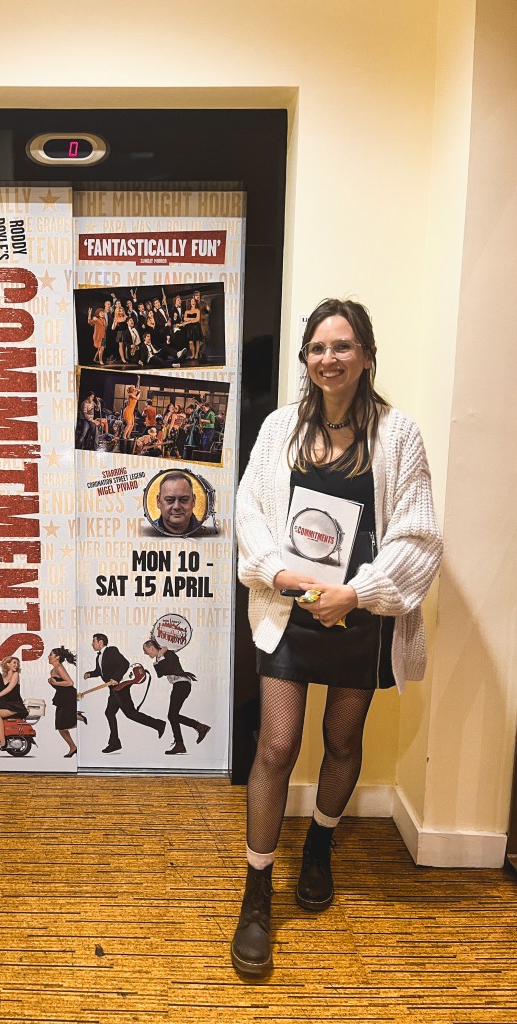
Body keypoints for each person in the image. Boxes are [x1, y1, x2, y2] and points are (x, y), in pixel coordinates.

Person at [232, 298, 443, 979]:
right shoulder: (279, 430)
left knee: (344, 741)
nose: (328, 358)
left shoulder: (400, 436)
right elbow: (250, 513)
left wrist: (359, 594)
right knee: (277, 744)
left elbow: (418, 536)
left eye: (342, 346)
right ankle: (257, 890)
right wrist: (283, 575)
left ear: (367, 356)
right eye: (317, 348)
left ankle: (319, 845)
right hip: (290, 609)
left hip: (360, 616)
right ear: (306, 361)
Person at [83, 634, 166, 753]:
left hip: (121, 687)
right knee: (110, 713)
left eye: (94, 642)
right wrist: (90, 674)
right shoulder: (99, 657)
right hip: (114, 689)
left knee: (129, 714)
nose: (92, 644)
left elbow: (124, 663)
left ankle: (158, 724)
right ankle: (115, 742)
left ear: (101, 642)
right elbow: (99, 671)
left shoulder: (111, 650)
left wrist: (116, 678)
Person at [142, 639, 210, 754]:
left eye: (146, 650)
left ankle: (197, 729)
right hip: (178, 685)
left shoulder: (170, 654)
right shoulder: (160, 656)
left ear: (152, 648)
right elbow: (160, 674)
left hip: (182, 684)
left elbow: (169, 669)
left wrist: (162, 656)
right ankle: (181, 743)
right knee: (172, 715)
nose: (145, 653)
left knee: (172, 715)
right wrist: (159, 656)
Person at [47, 646, 86, 758]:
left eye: (51, 655)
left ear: (57, 657)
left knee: (61, 725)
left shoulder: (59, 667)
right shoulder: (53, 670)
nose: (48, 657)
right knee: (60, 725)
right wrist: (52, 682)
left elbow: (70, 683)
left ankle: (73, 746)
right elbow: (59, 684)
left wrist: (55, 682)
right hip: (63, 697)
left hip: (68, 697)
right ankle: (73, 746)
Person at [0, 656, 30, 748]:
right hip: (7, 704)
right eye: (14, 663)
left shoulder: (16, 674)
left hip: (16, 705)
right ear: (8, 664)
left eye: (17, 663)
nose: (16, 665)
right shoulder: (3, 676)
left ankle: (3, 742)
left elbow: (9, 689)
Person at [154, 471, 201, 535]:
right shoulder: (147, 535)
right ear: (158, 501)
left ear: (193, 501)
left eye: (184, 500)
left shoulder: (208, 535)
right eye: (169, 500)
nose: (177, 507)